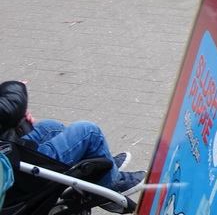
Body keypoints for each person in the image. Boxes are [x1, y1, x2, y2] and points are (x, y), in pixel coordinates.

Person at [0, 80, 145, 207]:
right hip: (14, 171)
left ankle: (103, 170)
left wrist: (14, 119)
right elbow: (7, 109)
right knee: (89, 132)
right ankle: (110, 186)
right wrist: (14, 88)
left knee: (49, 127)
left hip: (11, 150)